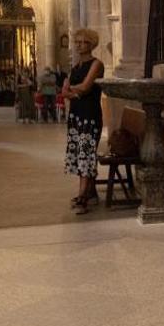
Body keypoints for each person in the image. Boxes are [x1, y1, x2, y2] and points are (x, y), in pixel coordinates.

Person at [62, 29, 104, 214]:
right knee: (79, 153)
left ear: (91, 44)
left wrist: (71, 90)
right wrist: (72, 91)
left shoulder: (96, 64)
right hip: (76, 115)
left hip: (90, 115)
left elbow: (86, 87)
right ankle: (90, 193)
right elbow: (65, 92)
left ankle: (82, 197)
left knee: (85, 155)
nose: (79, 45)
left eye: (83, 42)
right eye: (77, 42)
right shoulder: (76, 67)